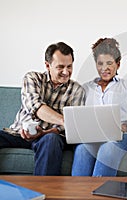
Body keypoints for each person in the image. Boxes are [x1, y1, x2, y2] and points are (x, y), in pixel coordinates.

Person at [0, 42, 85, 175]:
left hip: (49, 136)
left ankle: (44, 193)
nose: (66, 72)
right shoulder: (32, 78)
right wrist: (65, 120)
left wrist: (48, 131)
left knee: (51, 139)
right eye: (60, 67)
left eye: (69, 66)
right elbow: (36, 107)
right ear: (47, 65)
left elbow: (69, 128)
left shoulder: (77, 90)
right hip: (18, 134)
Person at [71, 38, 127, 176]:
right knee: (82, 150)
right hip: (93, 137)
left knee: (108, 149)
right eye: (100, 64)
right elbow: (78, 117)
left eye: (109, 63)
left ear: (118, 64)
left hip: (123, 136)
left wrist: (124, 127)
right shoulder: (85, 88)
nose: (104, 69)